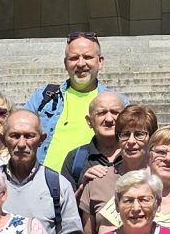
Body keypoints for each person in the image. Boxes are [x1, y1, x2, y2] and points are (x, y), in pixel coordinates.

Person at [31, 31, 119, 172]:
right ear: (65, 63)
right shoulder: (42, 98)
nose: (80, 63)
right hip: (43, 185)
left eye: (88, 57)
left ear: (100, 62)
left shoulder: (118, 103)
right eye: (73, 58)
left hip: (90, 186)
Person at [80, 102, 158, 234]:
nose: (131, 141)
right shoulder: (99, 181)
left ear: (151, 138)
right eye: (125, 134)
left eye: (139, 134)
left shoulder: (160, 182)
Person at [61, 89, 126, 189]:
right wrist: (84, 187)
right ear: (89, 121)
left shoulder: (137, 155)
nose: (109, 119)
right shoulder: (75, 159)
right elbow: (66, 202)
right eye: (101, 113)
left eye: (115, 112)